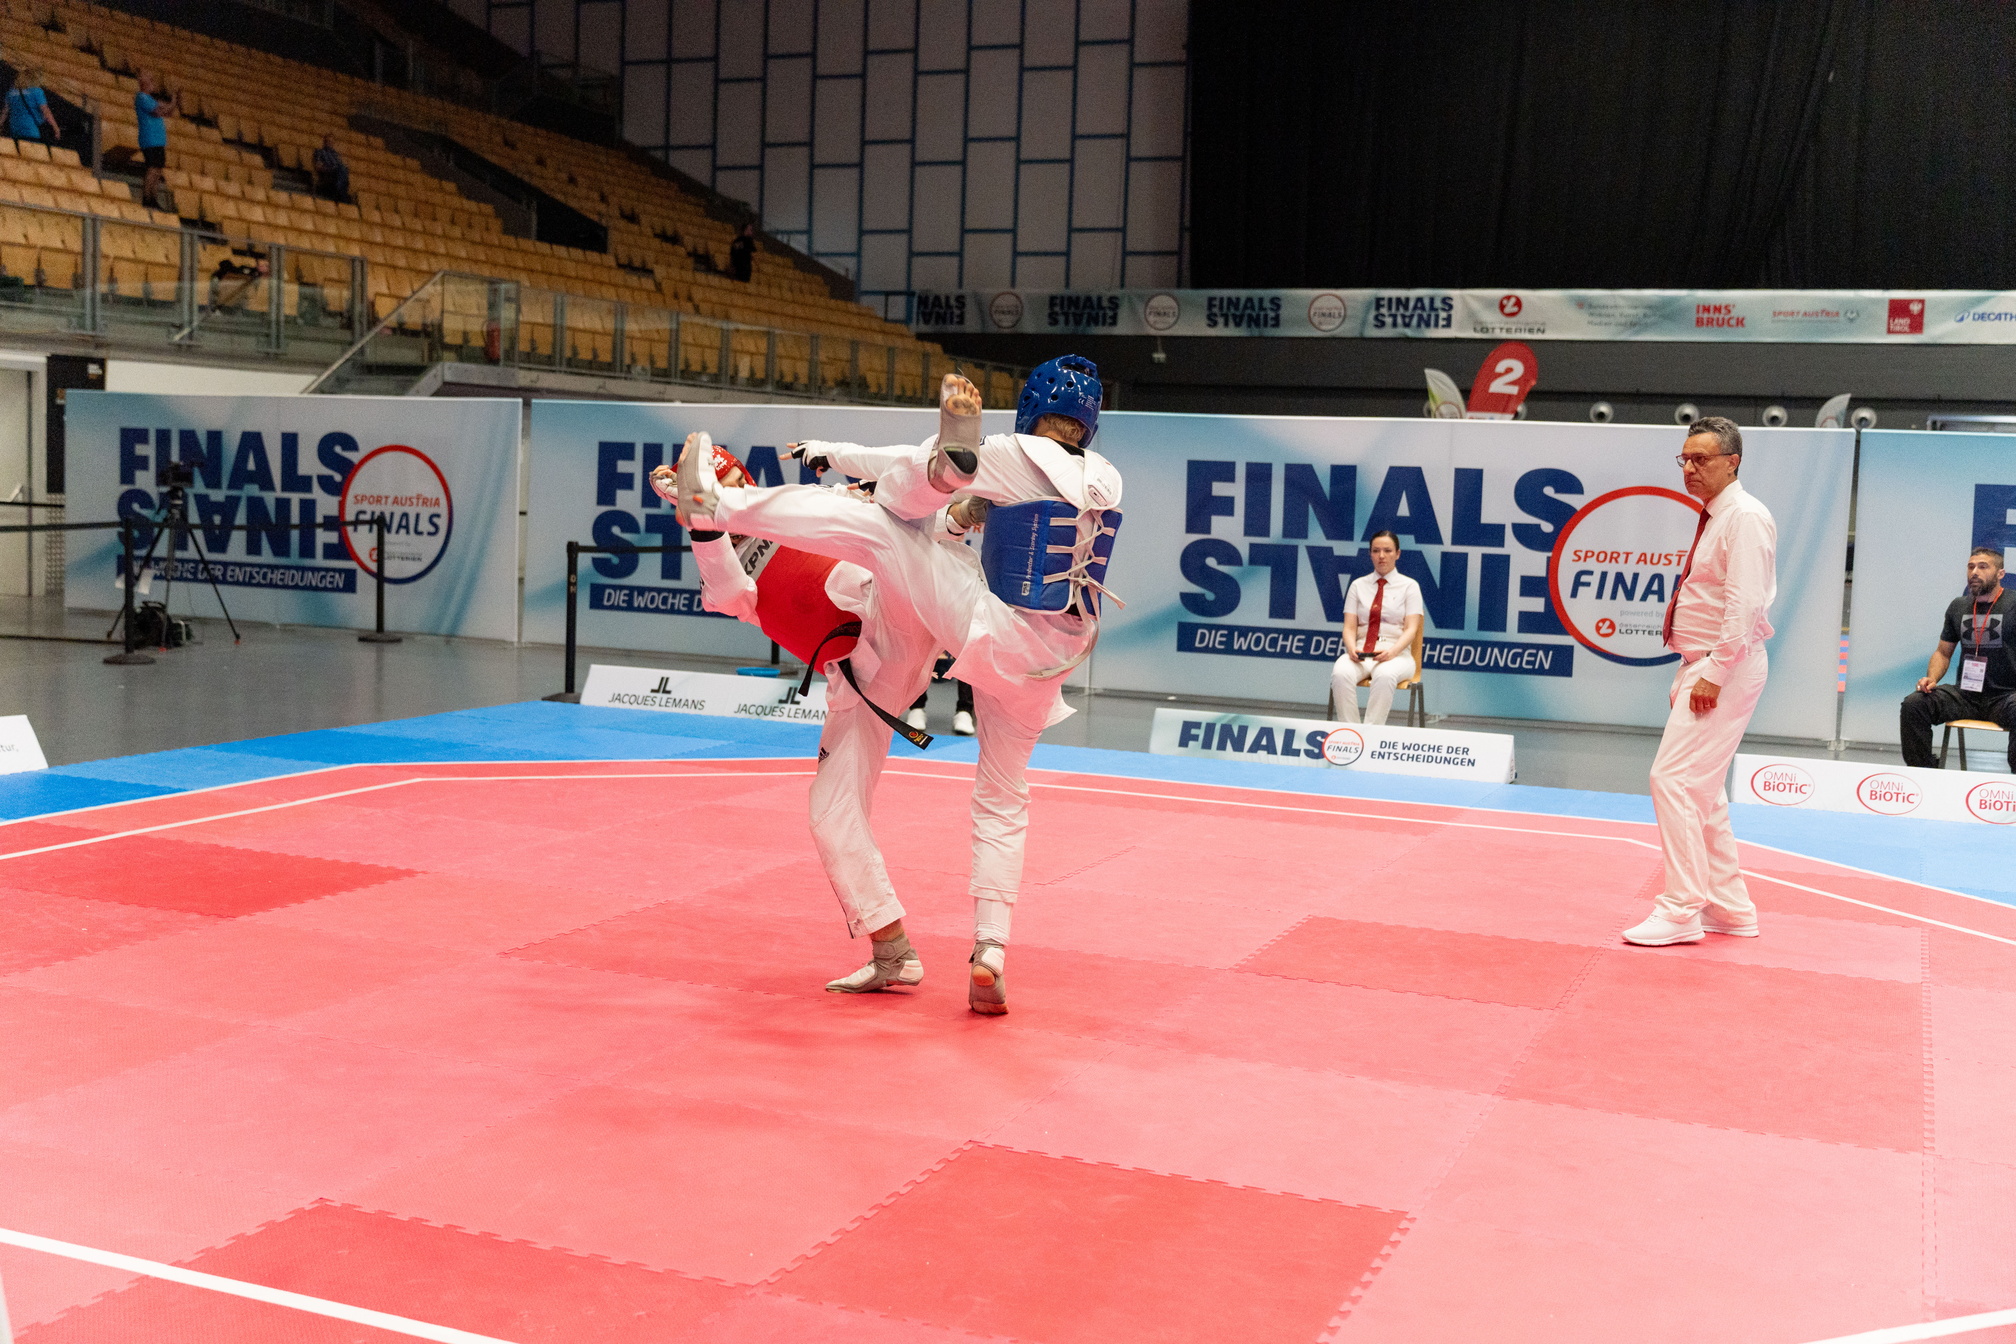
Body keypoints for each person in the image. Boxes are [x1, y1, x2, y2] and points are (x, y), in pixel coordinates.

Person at [653, 356, 1121, 1015]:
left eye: (721, 474)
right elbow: (731, 592)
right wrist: (709, 522)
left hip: (942, 625)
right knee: (863, 806)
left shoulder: (1008, 457)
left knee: (882, 524)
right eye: (711, 477)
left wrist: (869, 471)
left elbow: (899, 497)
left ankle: (931, 473)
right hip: (977, 665)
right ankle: (940, 949)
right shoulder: (1104, 479)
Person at [680, 442, 947, 989]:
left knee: (893, 510)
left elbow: (868, 509)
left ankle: (960, 508)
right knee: (830, 811)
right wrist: (699, 518)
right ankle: (892, 951)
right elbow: (726, 584)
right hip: (867, 680)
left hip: (897, 613)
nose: (732, 499)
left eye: (733, 487)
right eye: (715, 493)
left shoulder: (796, 506)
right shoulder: (726, 575)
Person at [1623, 416, 1777, 947]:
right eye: (1684, 459)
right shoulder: (1717, 516)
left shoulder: (1745, 517)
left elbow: (1744, 605)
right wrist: (1693, 666)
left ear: (1732, 463)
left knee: (1674, 781)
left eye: (1701, 459)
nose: (1689, 468)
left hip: (1725, 664)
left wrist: (1713, 671)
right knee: (1703, 794)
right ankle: (1730, 909)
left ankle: (1682, 908)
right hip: (1706, 662)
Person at [1899, 547, 2016, 770]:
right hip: (1966, 695)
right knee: (1914, 704)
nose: (1974, 572)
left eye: (1983, 567)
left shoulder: (2013, 604)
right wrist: (1932, 678)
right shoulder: (1958, 606)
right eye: (1971, 567)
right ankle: (1923, 773)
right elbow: (1943, 653)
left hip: (2006, 696)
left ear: (2000, 573)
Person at [1328, 530, 1422, 724]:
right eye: (1376, 550)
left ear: (1397, 554)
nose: (1381, 556)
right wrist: (1351, 648)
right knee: (1340, 673)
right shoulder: (1358, 585)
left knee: (1384, 674)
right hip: (1362, 651)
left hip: (1397, 654)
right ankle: (1351, 734)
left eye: (1387, 550)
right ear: (1370, 554)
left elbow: (1411, 629)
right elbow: (1349, 627)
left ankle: (1372, 735)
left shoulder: (1409, 586)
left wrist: (1392, 652)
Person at [134, 72, 176, 210]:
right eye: (150, 81)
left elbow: (168, 112)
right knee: (152, 168)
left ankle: (153, 197)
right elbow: (158, 112)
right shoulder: (141, 97)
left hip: (158, 140)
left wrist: (173, 101)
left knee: (158, 169)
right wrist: (172, 102)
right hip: (150, 138)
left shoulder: (151, 99)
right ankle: (147, 197)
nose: (153, 84)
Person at [6, 70, 60, 144]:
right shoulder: (36, 91)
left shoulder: (11, 93)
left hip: (14, 129)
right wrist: (55, 127)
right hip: (31, 130)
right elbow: (46, 111)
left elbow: (5, 112)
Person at [312, 135, 350, 205]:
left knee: (343, 169)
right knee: (341, 169)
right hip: (327, 175)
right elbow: (318, 167)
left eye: (331, 142)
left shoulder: (335, 154)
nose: (330, 143)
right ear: (324, 142)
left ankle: (339, 190)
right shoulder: (319, 152)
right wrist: (330, 169)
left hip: (337, 175)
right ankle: (341, 194)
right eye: (328, 141)